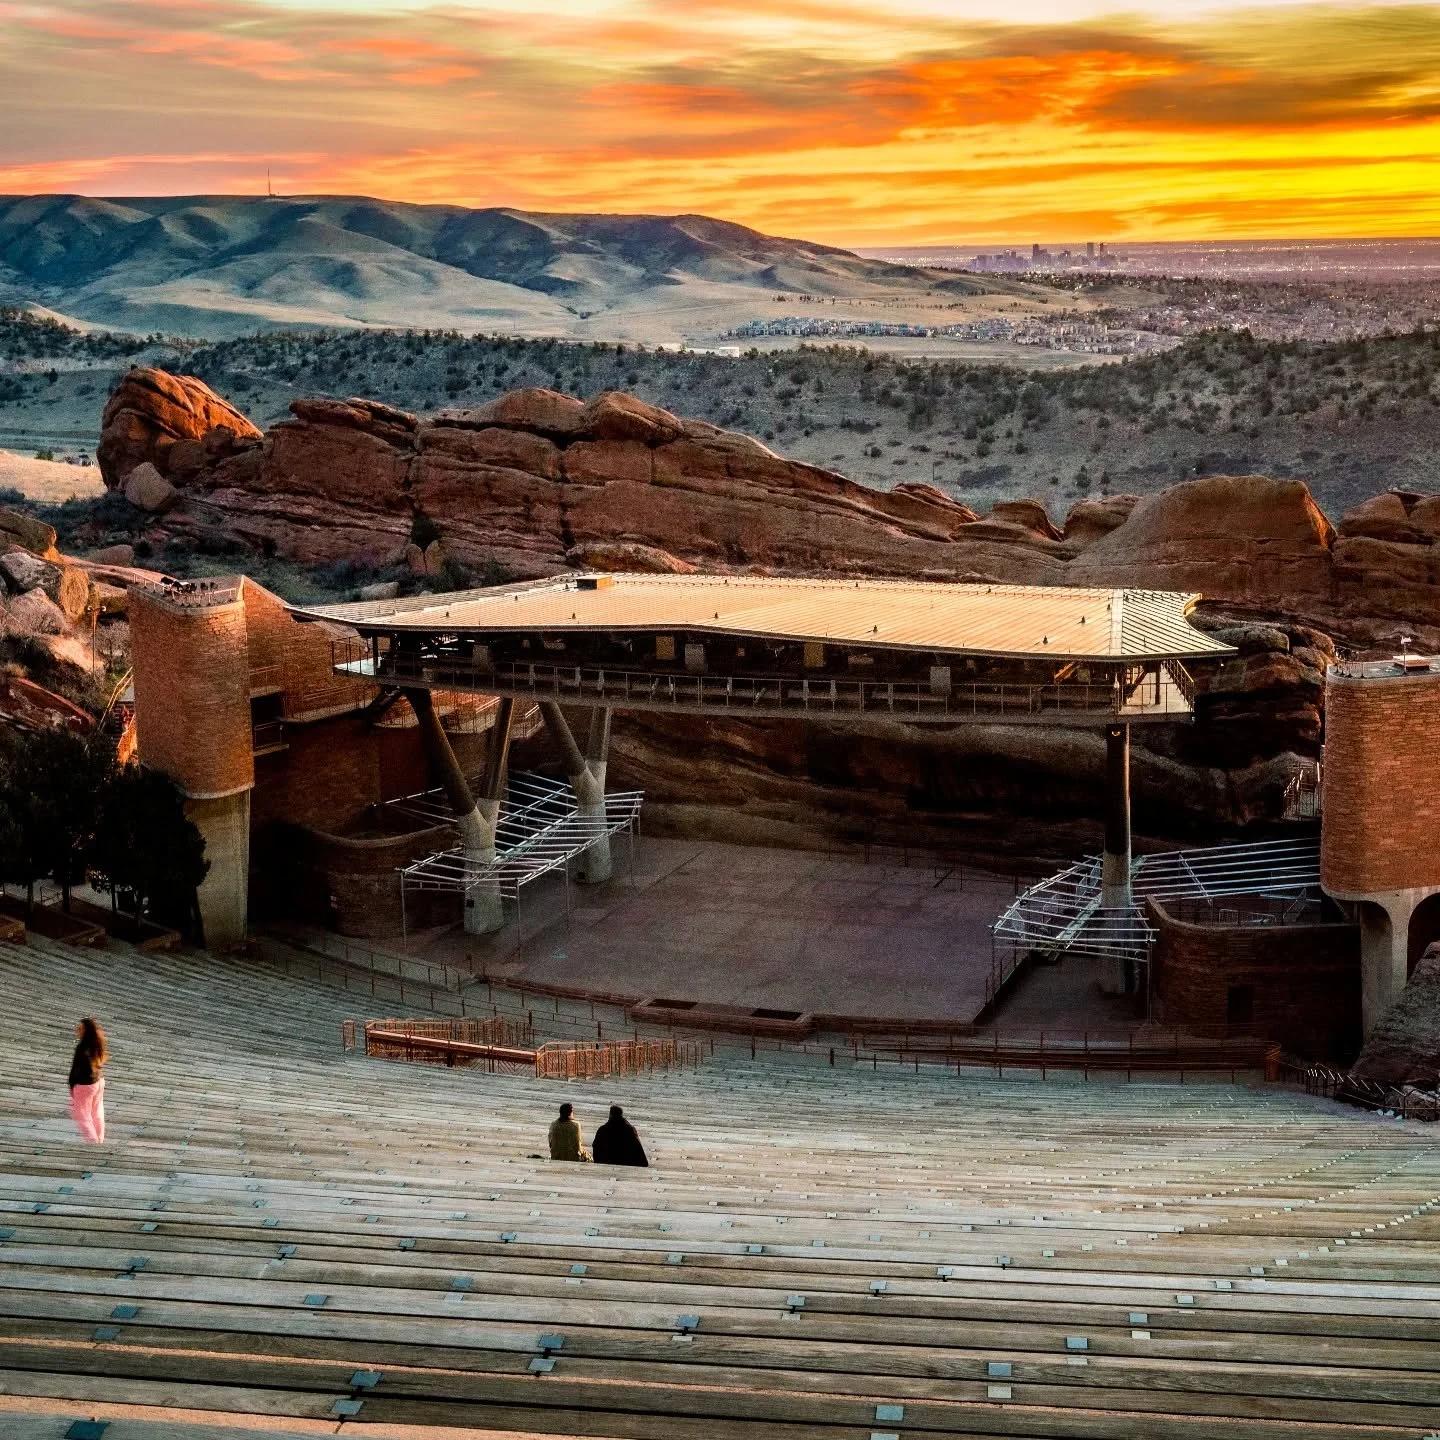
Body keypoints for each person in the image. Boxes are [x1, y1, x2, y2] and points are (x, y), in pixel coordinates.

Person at [68, 1018, 107, 1144]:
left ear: (85, 1030)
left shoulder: (82, 1047)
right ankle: (99, 1140)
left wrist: (72, 1086)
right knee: (97, 1112)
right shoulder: (96, 1043)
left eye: (79, 1029)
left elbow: (75, 1069)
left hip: (85, 1085)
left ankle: (93, 1142)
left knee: (82, 1115)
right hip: (99, 1081)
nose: (77, 1031)